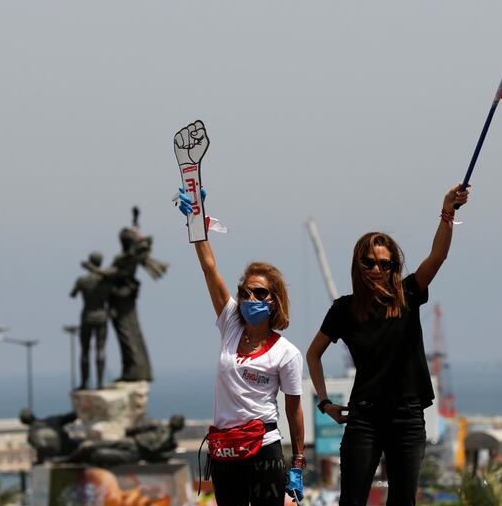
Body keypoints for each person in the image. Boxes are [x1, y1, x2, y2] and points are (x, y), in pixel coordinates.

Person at [306, 184, 469, 506]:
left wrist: (448, 212)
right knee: (352, 500)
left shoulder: (408, 295)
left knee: (402, 501)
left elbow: (438, 256)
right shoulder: (343, 309)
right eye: (369, 263)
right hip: (364, 418)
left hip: (408, 417)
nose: (377, 270)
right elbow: (313, 355)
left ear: (395, 267)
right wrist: (324, 403)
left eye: (386, 264)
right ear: (358, 265)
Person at [176, 189, 306, 506]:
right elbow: (209, 268)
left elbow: (293, 409)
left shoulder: (286, 353)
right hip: (225, 448)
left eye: (260, 294)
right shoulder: (230, 323)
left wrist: (298, 464)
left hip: (264, 446)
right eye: (246, 293)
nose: (251, 300)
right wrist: (196, 220)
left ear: (274, 300)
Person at [70, 252, 111, 389]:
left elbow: (73, 294)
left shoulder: (82, 280)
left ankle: (84, 383)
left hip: (87, 316)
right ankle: (100, 383)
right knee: (100, 349)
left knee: (85, 350)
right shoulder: (105, 281)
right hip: (101, 316)